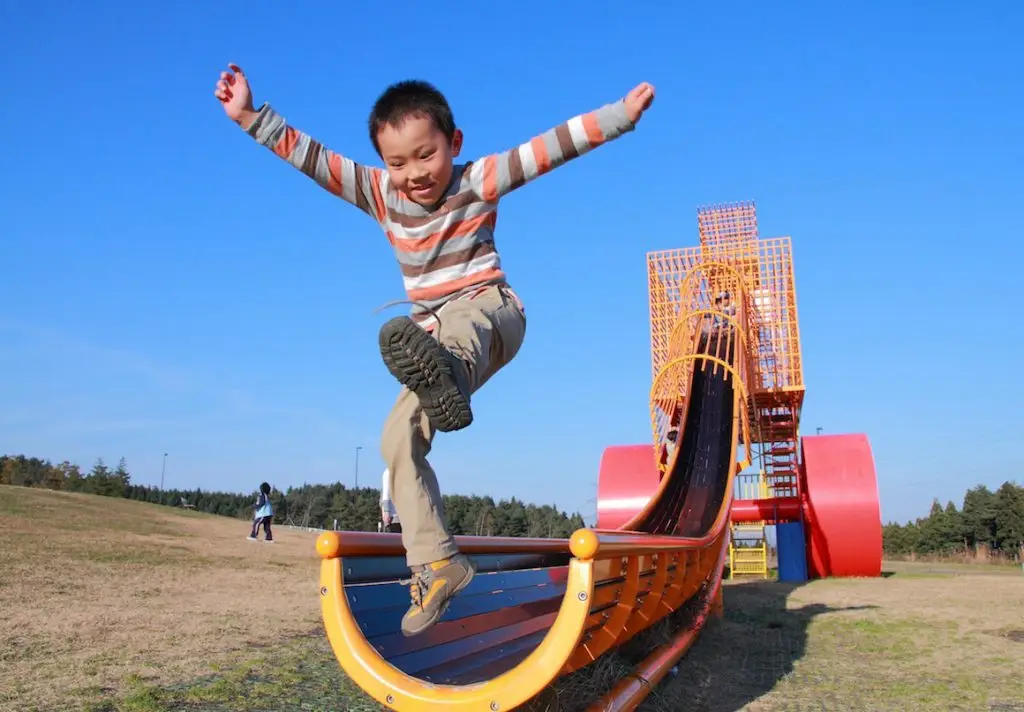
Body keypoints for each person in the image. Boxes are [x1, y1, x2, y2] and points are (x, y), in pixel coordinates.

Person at [214, 64, 655, 636]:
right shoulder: (379, 195)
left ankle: (446, 372)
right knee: (395, 440)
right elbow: (315, 160)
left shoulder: (479, 181)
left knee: (453, 335)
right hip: (428, 334)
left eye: (427, 155)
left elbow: (548, 149)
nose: (414, 174)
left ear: (455, 144)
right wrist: (251, 117)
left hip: (491, 312)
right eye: (397, 163)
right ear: (382, 162)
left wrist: (617, 116)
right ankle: (437, 562)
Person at [380, 468, 402, 533]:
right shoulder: (388, 472)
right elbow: (385, 495)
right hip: (393, 518)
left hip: (403, 517)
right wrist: (386, 512)